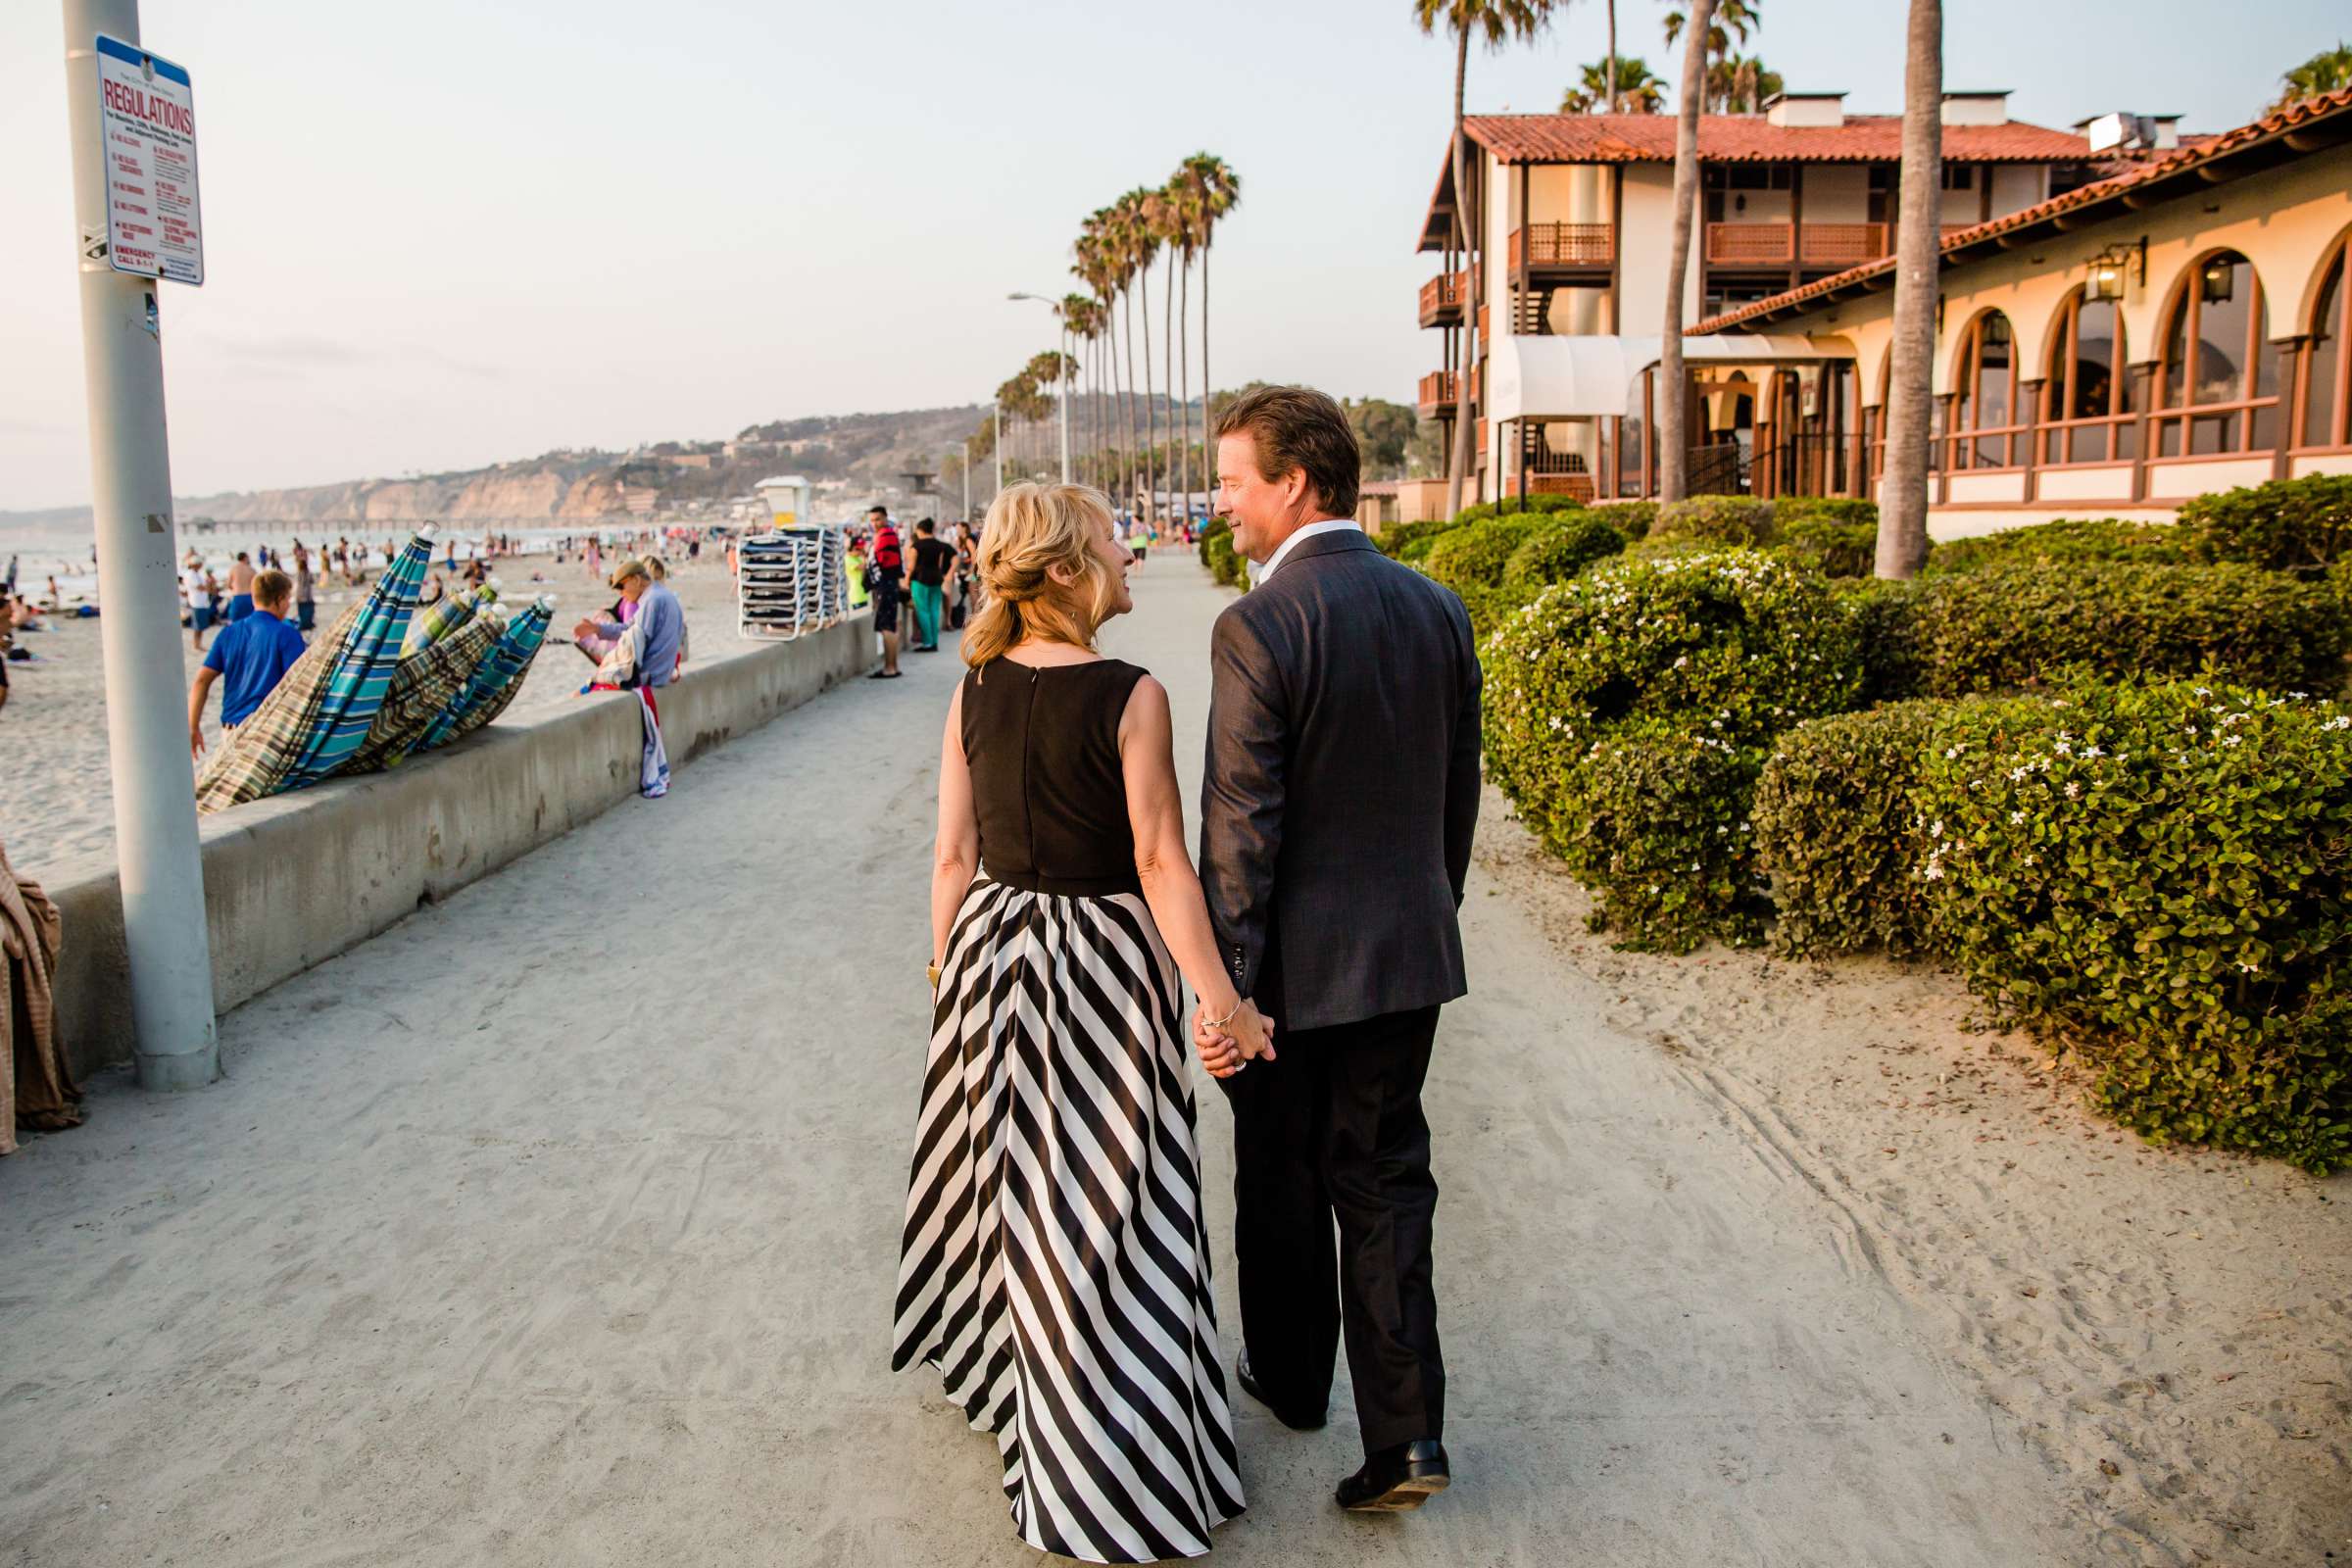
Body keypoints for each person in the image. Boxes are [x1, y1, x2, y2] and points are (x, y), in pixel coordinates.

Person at [894, 480, 1256, 1561]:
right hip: (1101, 958)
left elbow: (953, 858)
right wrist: (1217, 995)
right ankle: (1120, 1464)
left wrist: (943, 974)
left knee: (1018, 1202)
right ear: (1065, 569)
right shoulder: (1132, 693)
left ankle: (1033, 1422)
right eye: (1112, 541)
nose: (1129, 555)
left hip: (991, 955)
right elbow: (1155, 861)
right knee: (1115, 1204)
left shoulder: (969, 693)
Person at [1191, 385, 1482, 1514]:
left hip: (1292, 978)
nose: (1223, 505)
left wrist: (1232, 993)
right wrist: (1427, 911)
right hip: (1408, 951)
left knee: (1280, 1172)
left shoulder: (1259, 625)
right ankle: (1407, 1438)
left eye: (1233, 481)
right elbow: (1456, 793)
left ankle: (1297, 1381)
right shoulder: (1438, 607)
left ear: (1295, 484)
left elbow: (1240, 827)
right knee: (1388, 1180)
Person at [187, 568, 309, 759]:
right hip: (268, 734)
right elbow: (300, 686)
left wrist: (193, 728)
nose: (287, 606)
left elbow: (201, 681)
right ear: (279, 599)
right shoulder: (287, 635)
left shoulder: (229, 633)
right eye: (287, 600)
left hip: (231, 732)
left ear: (254, 598)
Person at [864, 506, 904, 679]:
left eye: (877, 519)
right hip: (891, 585)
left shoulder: (884, 536)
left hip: (885, 586)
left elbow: (877, 564)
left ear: (886, 518)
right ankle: (893, 666)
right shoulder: (890, 534)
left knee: (886, 627)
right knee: (890, 626)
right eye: (872, 520)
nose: (874, 523)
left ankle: (889, 667)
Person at [906, 517, 954, 653]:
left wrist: (906, 580)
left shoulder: (916, 546)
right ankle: (934, 642)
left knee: (923, 611)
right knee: (934, 610)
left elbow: (911, 566)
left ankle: (927, 643)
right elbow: (941, 563)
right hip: (936, 579)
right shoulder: (939, 545)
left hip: (920, 580)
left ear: (920, 530)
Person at [181, 558, 213, 651]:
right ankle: (196, 644)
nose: (201, 565)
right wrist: (208, 586)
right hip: (196, 602)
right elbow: (199, 587)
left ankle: (198, 644)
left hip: (201, 602)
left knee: (200, 625)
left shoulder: (196, 574)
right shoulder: (191, 574)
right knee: (197, 625)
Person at [224, 552, 258, 623]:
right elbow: (257, 585)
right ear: (245, 558)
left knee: (235, 622)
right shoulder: (251, 570)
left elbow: (228, 585)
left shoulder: (233, 569)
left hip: (237, 596)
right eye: (248, 557)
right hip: (249, 596)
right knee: (250, 621)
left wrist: (234, 589)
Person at [292, 545, 317, 632]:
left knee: (301, 611)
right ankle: (308, 623)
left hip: (300, 595)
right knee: (309, 610)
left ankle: (303, 623)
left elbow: (297, 585)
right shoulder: (308, 573)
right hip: (308, 596)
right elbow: (312, 581)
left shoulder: (299, 574)